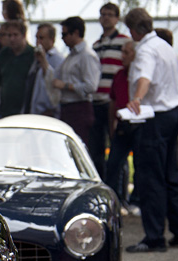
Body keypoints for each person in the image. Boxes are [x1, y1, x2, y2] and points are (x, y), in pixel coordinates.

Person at [124, 7, 178, 252]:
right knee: (170, 175)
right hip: (173, 114)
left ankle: (154, 237)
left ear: (133, 30)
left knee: (150, 177)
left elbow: (144, 78)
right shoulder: (166, 46)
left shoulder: (146, 50)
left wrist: (137, 99)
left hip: (155, 117)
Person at [43, 17, 100, 146]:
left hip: (79, 108)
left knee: (78, 147)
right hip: (67, 108)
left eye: (64, 34)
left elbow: (91, 86)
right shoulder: (71, 56)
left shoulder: (86, 55)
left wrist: (66, 86)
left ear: (75, 33)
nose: (62, 38)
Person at [90, 3, 130, 178]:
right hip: (97, 99)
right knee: (96, 148)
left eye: (109, 14)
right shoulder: (96, 45)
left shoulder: (124, 42)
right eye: (102, 14)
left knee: (117, 149)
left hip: (113, 100)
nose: (105, 17)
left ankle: (120, 189)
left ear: (116, 18)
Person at [105, 40, 137, 208]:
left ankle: (136, 201)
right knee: (114, 163)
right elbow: (112, 101)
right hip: (122, 125)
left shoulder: (140, 75)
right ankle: (114, 201)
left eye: (126, 53)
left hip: (140, 125)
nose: (122, 56)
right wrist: (112, 126)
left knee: (140, 166)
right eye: (122, 52)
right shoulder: (119, 75)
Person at [0, 19, 34, 119]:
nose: (12, 39)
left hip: (25, 111)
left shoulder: (32, 54)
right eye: (9, 35)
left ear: (23, 35)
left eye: (15, 35)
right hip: (5, 110)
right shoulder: (4, 53)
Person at [27, 23, 63, 117]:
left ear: (52, 39)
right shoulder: (36, 59)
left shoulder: (57, 59)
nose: (38, 42)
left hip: (48, 112)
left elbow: (54, 84)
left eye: (41, 38)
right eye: (37, 38)